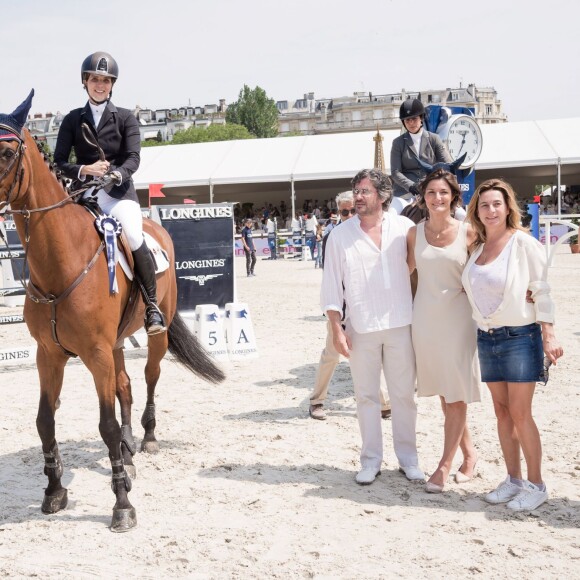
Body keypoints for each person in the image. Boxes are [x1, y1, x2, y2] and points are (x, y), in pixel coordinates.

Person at [462, 178, 564, 511]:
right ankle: (514, 479)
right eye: (484, 204)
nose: (490, 210)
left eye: (497, 204)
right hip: (487, 338)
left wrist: (548, 334)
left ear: (508, 208)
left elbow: (542, 290)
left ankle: (536, 484)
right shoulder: (476, 247)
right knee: (502, 413)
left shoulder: (523, 243)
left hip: (520, 336)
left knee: (521, 413)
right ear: (476, 209)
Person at [321, 170, 424, 485]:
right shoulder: (340, 235)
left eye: (364, 191)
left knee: (404, 396)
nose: (358, 196)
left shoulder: (404, 227)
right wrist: (337, 329)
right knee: (366, 396)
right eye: (356, 190)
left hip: (401, 323)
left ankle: (409, 460)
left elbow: (416, 264)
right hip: (360, 326)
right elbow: (331, 287)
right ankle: (370, 461)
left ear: (382, 196)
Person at [53, 51, 165, 335]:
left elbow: (133, 158)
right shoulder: (71, 120)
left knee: (133, 232)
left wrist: (116, 173)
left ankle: (151, 306)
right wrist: (85, 170)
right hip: (84, 196)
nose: (100, 85)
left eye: (105, 80)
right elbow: (59, 161)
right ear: (85, 82)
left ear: (112, 84)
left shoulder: (126, 117)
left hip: (118, 194)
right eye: (95, 80)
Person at [406, 169, 480, 493]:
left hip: (458, 321)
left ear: (454, 197)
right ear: (423, 197)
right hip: (424, 322)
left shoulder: (469, 232)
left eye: (444, 193)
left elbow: (486, 271)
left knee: (457, 394)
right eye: (432, 192)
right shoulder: (413, 234)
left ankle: (444, 466)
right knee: (444, 394)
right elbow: (400, 277)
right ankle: (470, 455)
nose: (438, 198)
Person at [310, 190, 391, 421]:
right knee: (332, 355)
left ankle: (384, 402)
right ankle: (317, 400)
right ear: (338, 213)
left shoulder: (367, 234)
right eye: (344, 211)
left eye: (352, 210)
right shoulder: (333, 237)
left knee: (370, 355)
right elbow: (332, 278)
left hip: (365, 306)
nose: (348, 215)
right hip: (342, 307)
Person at [390, 99, 452, 202]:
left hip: (431, 190)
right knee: (393, 212)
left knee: (461, 214)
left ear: (421, 118)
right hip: (405, 194)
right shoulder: (398, 143)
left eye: (414, 119)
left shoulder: (434, 139)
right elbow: (395, 172)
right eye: (407, 120)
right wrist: (411, 186)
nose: (411, 123)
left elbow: (447, 165)